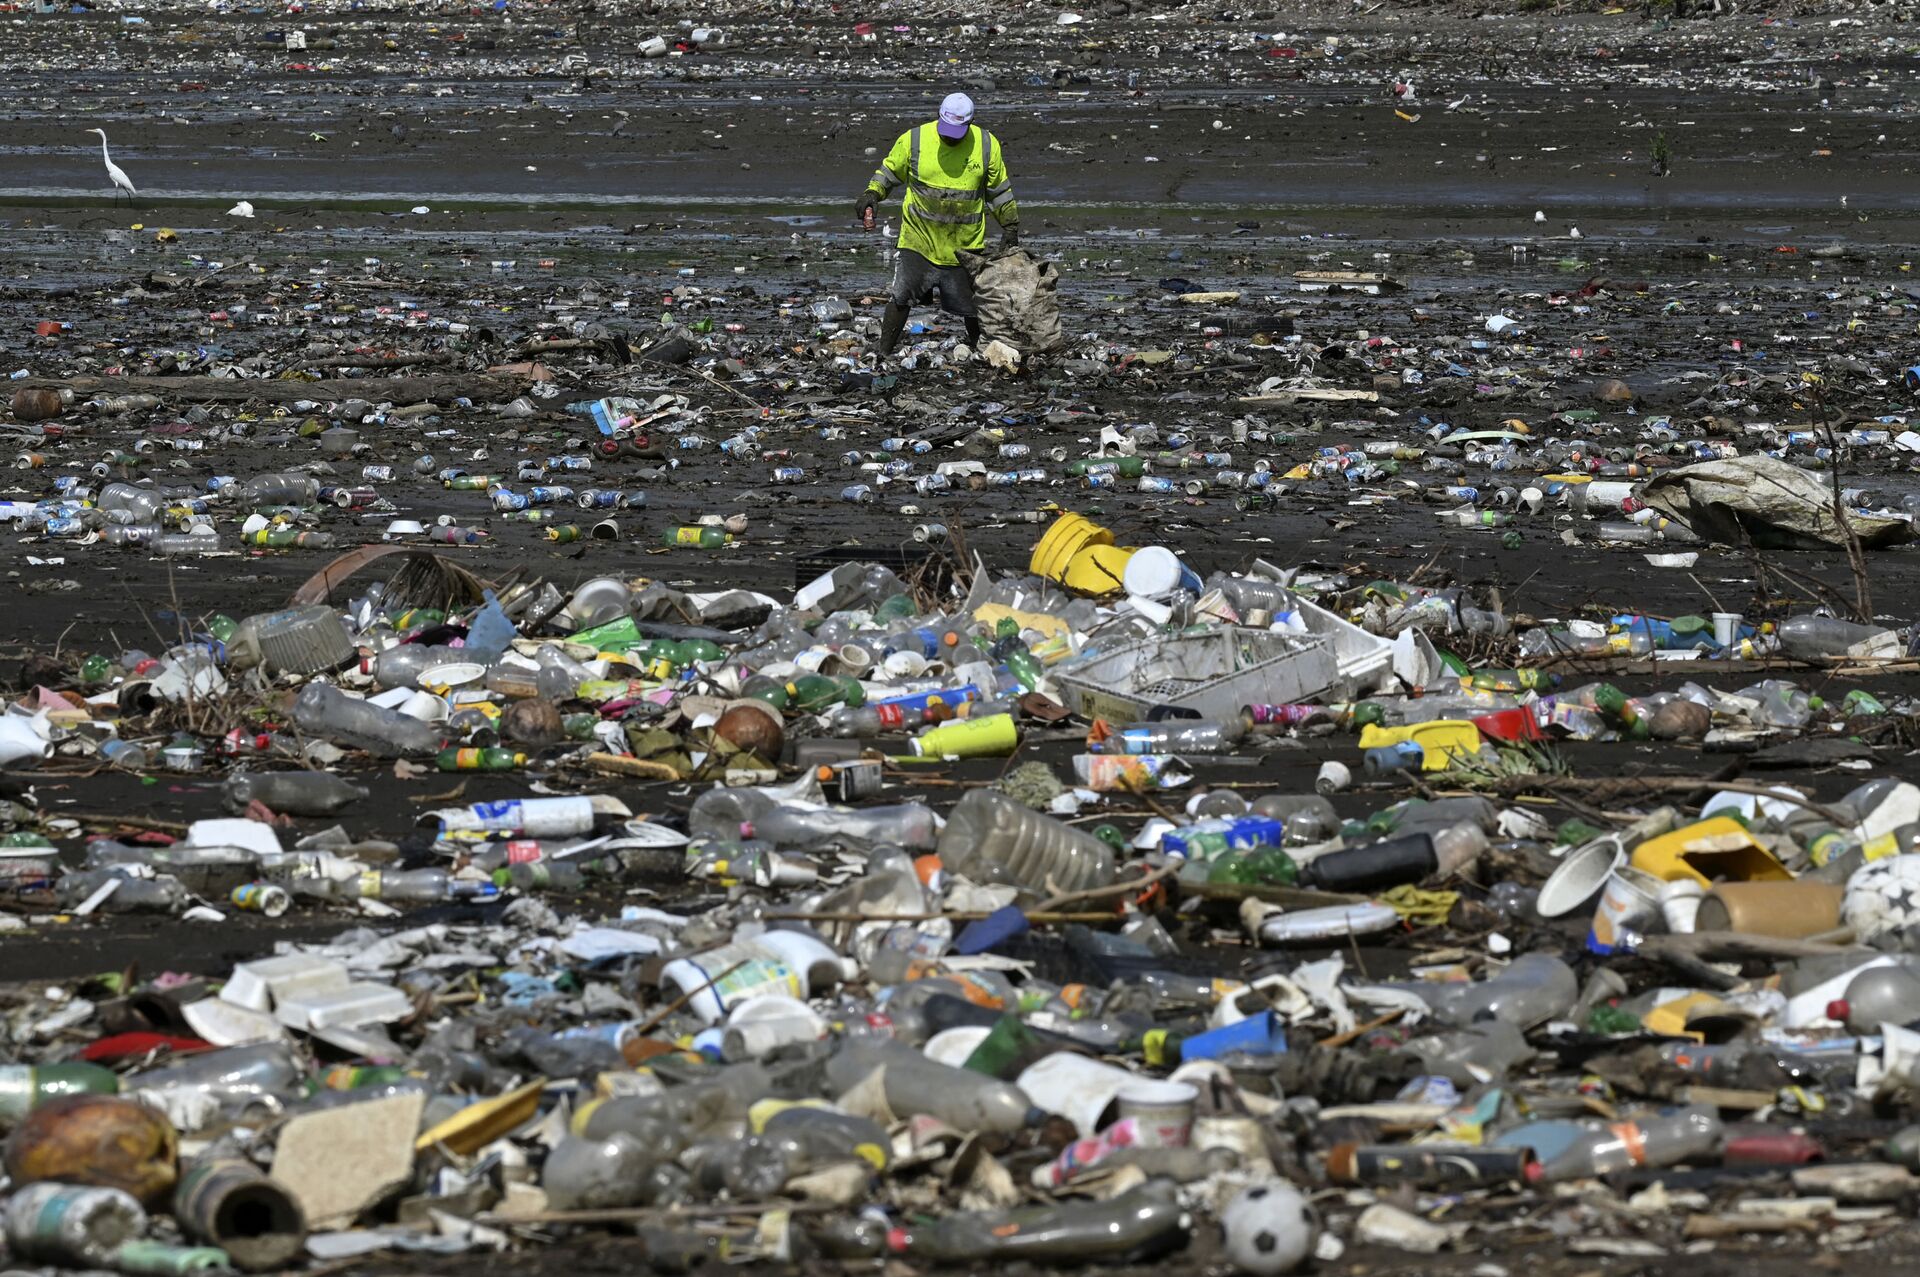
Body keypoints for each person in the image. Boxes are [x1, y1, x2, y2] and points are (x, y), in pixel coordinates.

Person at [855, 92, 1019, 357]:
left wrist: (1010, 226)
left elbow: (999, 191)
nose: (949, 137)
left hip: (964, 245)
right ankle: (883, 352)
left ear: (970, 124)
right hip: (919, 240)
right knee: (901, 296)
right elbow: (889, 173)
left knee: (973, 307)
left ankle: (983, 353)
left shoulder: (986, 144)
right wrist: (872, 194)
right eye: (946, 130)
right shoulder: (915, 140)